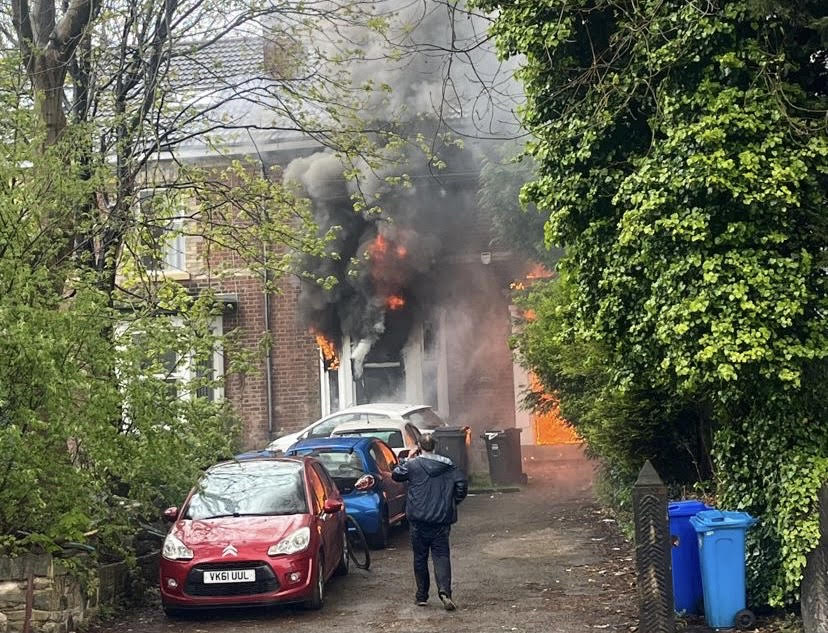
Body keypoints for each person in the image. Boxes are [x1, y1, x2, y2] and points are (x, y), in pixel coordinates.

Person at [392, 434, 468, 611]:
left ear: (419, 446)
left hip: (418, 520)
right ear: (436, 446)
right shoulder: (448, 465)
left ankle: (421, 596)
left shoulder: (413, 465)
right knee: (441, 555)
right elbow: (462, 484)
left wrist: (407, 459)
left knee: (420, 557)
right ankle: (445, 592)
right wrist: (452, 502)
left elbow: (396, 475)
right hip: (441, 520)